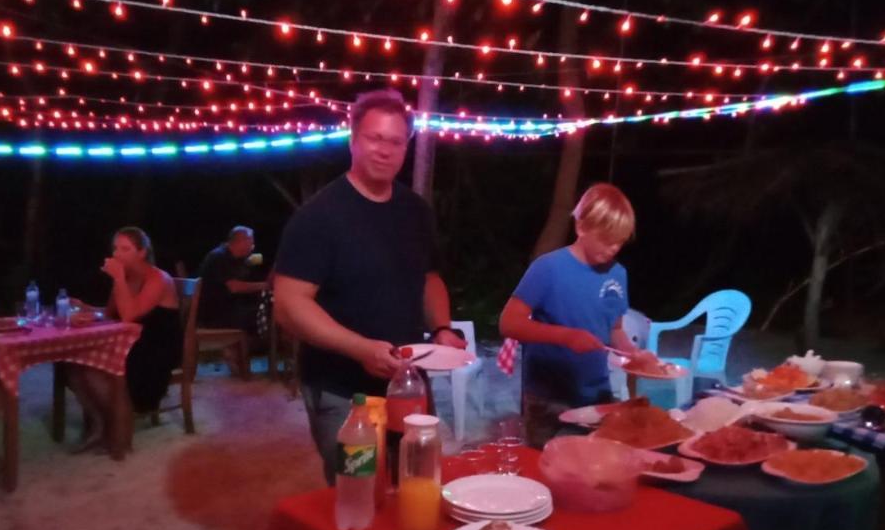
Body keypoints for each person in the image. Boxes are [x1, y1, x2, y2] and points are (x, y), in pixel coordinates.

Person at [273, 89, 467, 483]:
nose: (384, 150)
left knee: (416, 482)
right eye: (374, 138)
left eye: (395, 141)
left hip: (410, 383)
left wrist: (443, 328)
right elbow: (289, 304)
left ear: (406, 147)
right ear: (353, 140)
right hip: (344, 391)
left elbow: (429, 278)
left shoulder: (415, 212)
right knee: (358, 495)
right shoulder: (319, 217)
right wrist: (360, 349)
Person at [499, 183, 652, 447]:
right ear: (581, 227)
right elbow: (509, 323)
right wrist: (565, 336)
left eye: (620, 242)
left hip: (596, 394)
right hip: (548, 397)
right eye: (607, 239)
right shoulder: (548, 268)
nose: (614, 248)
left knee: (594, 466)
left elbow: (615, 329)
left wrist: (633, 354)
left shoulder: (618, 274)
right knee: (544, 465)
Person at [68, 227, 181, 451]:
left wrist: (118, 278)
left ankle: (118, 426)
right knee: (74, 364)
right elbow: (112, 313)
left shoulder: (158, 278)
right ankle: (100, 424)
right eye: (116, 248)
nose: (118, 254)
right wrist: (87, 309)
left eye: (125, 249)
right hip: (129, 344)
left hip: (154, 351)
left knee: (94, 369)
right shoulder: (125, 277)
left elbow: (129, 315)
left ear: (141, 252)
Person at [197, 225, 271, 350]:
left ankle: (243, 353)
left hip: (230, 310)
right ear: (242, 241)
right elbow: (234, 287)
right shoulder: (218, 257)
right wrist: (266, 285)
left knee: (265, 309)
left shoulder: (238, 259)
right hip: (216, 315)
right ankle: (252, 351)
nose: (253, 245)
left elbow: (261, 262)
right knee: (267, 315)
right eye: (251, 241)